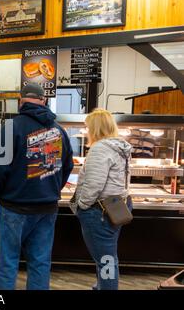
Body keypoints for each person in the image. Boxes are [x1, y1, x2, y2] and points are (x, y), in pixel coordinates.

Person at [0, 83, 74, 290]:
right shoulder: (58, 130)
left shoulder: (10, 128)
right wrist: (51, 189)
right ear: (44, 101)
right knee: (40, 263)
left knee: (5, 263)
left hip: (12, 207)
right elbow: (67, 166)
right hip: (46, 208)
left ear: (20, 101)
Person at [70, 109, 132, 290]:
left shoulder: (100, 148)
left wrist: (82, 206)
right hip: (116, 206)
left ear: (96, 128)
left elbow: (94, 185)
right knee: (107, 255)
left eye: (88, 127)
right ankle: (102, 286)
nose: (87, 130)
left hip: (100, 211)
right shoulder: (120, 146)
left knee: (106, 259)